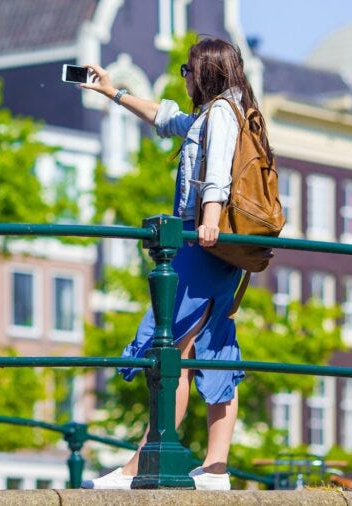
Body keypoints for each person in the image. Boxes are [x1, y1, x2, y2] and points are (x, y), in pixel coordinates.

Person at [78, 36, 271, 491]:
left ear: (205, 73)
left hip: (203, 245)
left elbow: (218, 170)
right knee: (215, 350)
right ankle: (215, 469)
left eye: (188, 71)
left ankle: (142, 466)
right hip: (218, 250)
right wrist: (113, 92)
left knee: (171, 350)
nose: (184, 78)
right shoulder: (218, 114)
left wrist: (207, 222)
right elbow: (166, 119)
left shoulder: (222, 115)